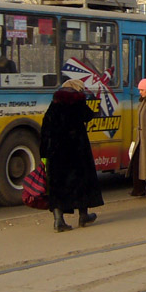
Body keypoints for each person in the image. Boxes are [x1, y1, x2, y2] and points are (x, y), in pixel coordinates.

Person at [39, 79, 103, 232]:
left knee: (57, 185)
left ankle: (58, 220)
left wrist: (44, 153)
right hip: (77, 150)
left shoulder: (55, 103)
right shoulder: (78, 101)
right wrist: (95, 111)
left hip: (56, 151)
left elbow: (46, 127)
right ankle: (83, 216)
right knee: (81, 182)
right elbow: (87, 116)